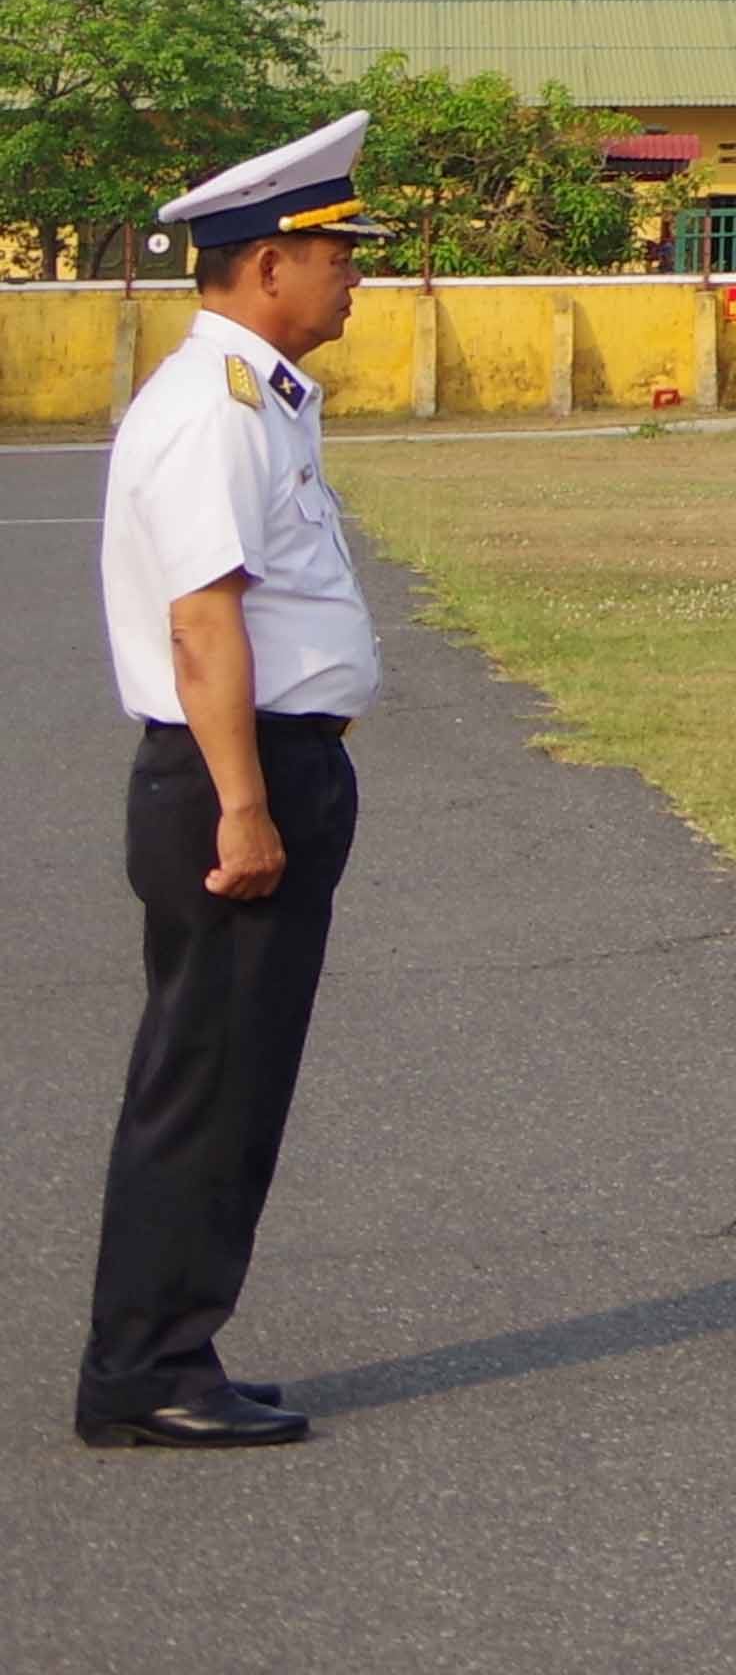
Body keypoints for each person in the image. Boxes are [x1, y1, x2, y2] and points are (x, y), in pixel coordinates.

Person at [75, 113, 392, 1451]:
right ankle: (144, 1370)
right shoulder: (214, 412)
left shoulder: (256, 398)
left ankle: (172, 1350)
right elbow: (204, 624)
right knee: (206, 1087)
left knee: (230, 1082)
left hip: (266, 766)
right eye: (338, 253)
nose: (355, 275)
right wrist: (249, 808)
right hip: (234, 777)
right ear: (269, 263)